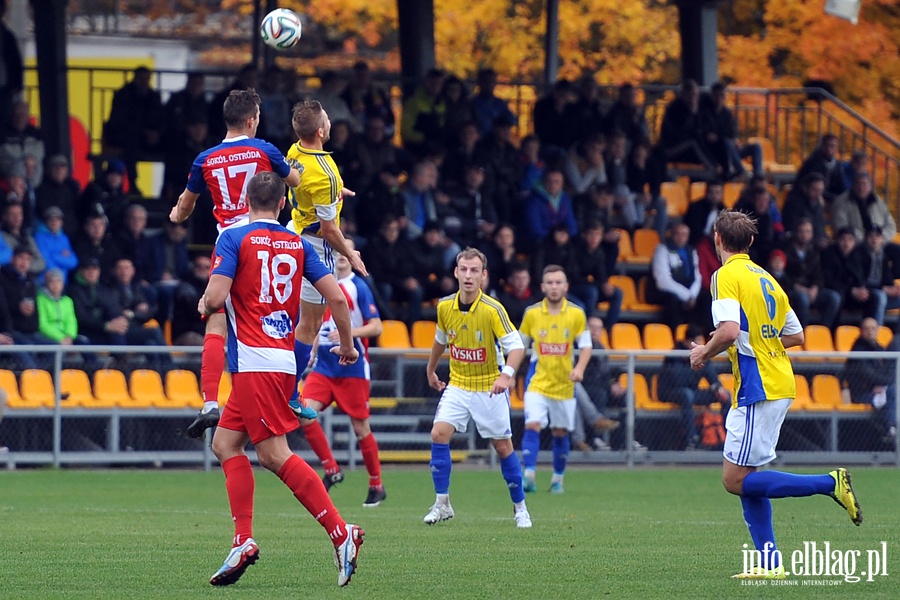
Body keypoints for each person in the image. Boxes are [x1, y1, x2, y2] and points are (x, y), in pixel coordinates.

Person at [198, 171, 364, 587]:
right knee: (225, 442)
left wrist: (205, 300)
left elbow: (216, 299)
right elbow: (337, 298)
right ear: (284, 205)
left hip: (255, 362)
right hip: (279, 359)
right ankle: (242, 539)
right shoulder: (300, 244)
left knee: (273, 454)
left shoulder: (233, 239)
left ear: (245, 200)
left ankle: (341, 533)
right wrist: (347, 343)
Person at [689, 210, 862, 580]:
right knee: (746, 476)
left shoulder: (724, 276)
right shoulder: (767, 278)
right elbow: (797, 336)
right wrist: (762, 345)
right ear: (751, 242)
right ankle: (770, 564)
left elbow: (730, 330)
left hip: (758, 385)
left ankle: (829, 483)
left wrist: (703, 352)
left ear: (717, 238)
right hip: (775, 380)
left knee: (734, 480)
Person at [168, 88, 302, 437]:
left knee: (216, 323)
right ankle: (289, 391)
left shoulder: (205, 159)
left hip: (229, 244)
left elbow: (184, 209)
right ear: (252, 119)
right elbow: (295, 182)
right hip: (266, 241)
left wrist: (175, 213)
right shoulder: (264, 150)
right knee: (273, 315)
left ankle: (211, 401)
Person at [423, 247, 531, 527]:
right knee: (438, 433)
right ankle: (442, 503)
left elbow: (517, 347)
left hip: (488, 386)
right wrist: (431, 368)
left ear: (484, 276)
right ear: (456, 273)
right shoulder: (445, 306)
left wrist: (506, 375)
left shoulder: (493, 309)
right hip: (458, 384)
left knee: (503, 447)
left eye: (474, 271)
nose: (468, 276)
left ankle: (520, 508)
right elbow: (440, 339)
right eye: (464, 270)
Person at [284, 99, 367, 419]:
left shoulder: (295, 150)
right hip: (316, 244)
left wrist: (334, 194)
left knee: (298, 317)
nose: (332, 121)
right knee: (310, 324)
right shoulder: (327, 173)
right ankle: (289, 393)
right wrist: (350, 253)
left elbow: (299, 183)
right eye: (328, 119)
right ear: (321, 131)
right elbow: (331, 230)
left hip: (295, 226)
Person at [296, 239, 386, 506]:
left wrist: (349, 334)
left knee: (360, 428)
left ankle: (376, 484)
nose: (342, 256)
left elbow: (377, 327)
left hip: (352, 368)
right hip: (324, 366)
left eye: (347, 251)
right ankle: (332, 469)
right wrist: (311, 349)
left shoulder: (358, 287)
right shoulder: (320, 282)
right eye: (337, 249)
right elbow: (313, 321)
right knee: (303, 411)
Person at [519, 265, 592, 494]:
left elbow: (587, 345)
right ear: (542, 287)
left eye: (558, 282)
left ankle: (557, 479)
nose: (554, 287)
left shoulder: (576, 313)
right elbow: (520, 345)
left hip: (563, 385)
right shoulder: (532, 313)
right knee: (532, 425)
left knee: (560, 432)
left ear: (566, 286)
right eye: (549, 282)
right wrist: (509, 373)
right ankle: (528, 475)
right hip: (537, 381)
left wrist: (579, 368)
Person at [658, 324, 730, 450]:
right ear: (688, 342)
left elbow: (711, 375)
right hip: (670, 392)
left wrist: (717, 388)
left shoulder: (702, 356)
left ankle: (728, 437)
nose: (700, 344)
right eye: (697, 341)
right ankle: (692, 440)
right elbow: (678, 381)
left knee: (725, 395)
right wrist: (695, 365)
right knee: (686, 394)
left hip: (692, 392)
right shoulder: (674, 355)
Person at [846, 318, 897, 441]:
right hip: (863, 394)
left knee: (894, 392)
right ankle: (890, 427)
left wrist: (883, 384)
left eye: (873, 328)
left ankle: (891, 428)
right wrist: (879, 385)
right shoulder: (858, 350)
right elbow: (867, 374)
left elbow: (890, 371)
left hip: (880, 390)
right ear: (861, 331)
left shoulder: (879, 348)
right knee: (893, 392)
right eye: (867, 329)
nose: (870, 331)